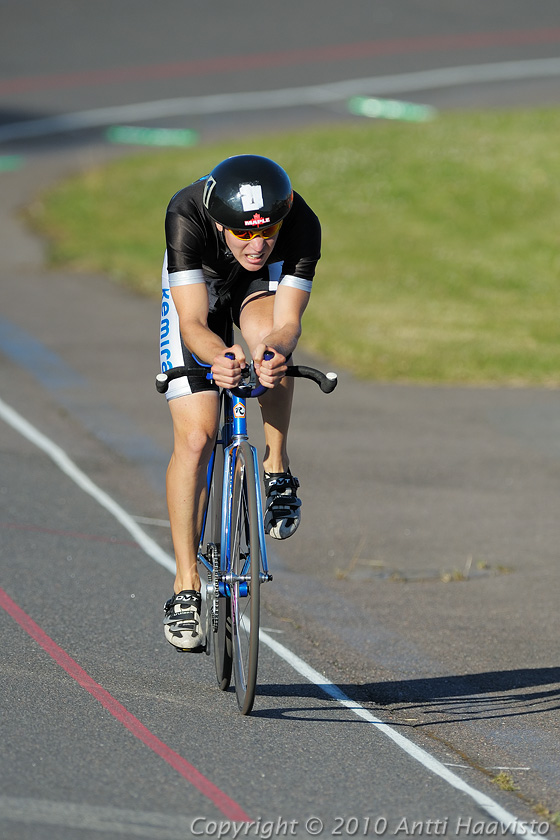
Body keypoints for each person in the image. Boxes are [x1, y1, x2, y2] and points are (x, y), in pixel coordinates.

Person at [159, 154, 321, 651]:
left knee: (270, 346)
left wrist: (274, 352)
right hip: (199, 287)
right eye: (244, 234)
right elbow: (191, 323)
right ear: (219, 223)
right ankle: (186, 583)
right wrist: (218, 359)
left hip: (256, 294)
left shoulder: (301, 223)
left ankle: (276, 464)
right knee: (197, 436)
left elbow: (288, 321)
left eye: (267, 232)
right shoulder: (186, 215)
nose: (258, 244)